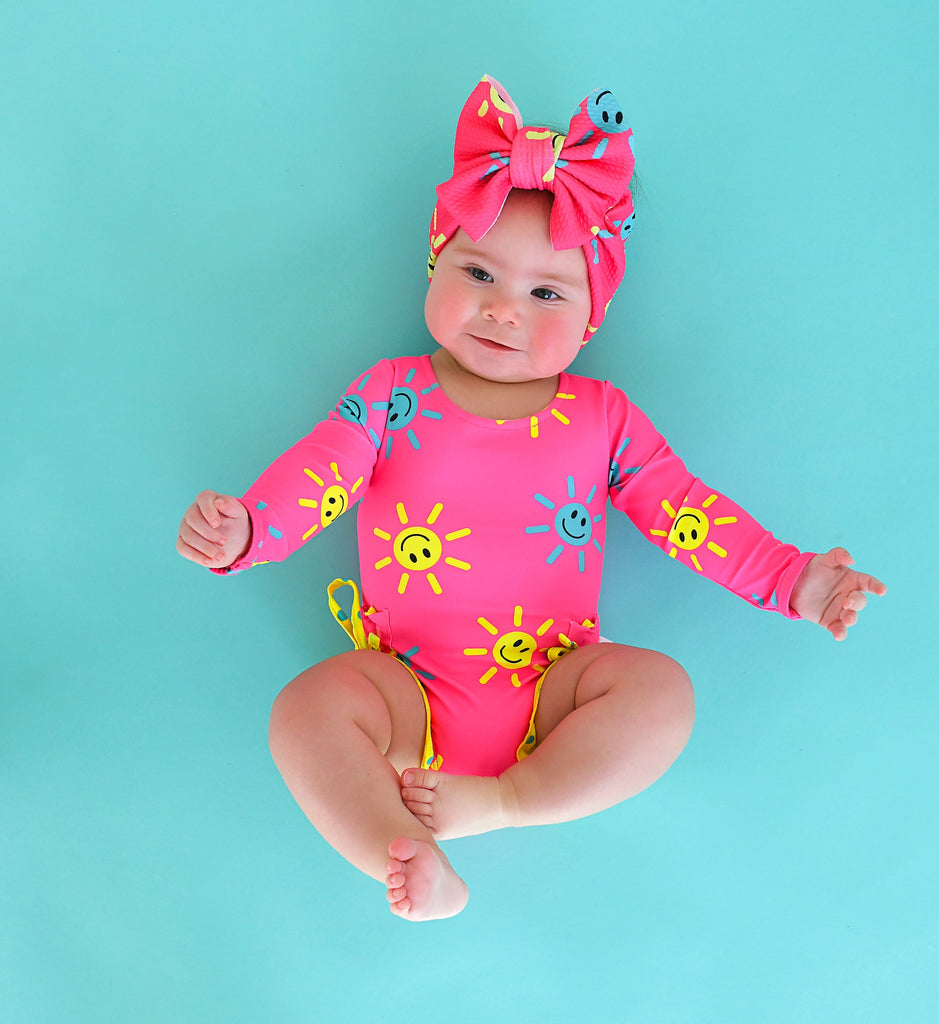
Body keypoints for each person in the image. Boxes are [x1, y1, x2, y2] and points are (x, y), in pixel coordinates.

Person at [176, 76, 885, 922]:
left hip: (554, 692)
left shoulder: (602, 418)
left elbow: (688, 512)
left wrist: (794, 579)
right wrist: (250, 528)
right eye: (478, 272)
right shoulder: (391, 394)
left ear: (591, 317)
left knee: (663, 694)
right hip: (406, 688)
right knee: (304, 712)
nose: (504, 311)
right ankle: (401, 853)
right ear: (436, 264)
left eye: (546, 292)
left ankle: (511, 800)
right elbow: (320, 472)